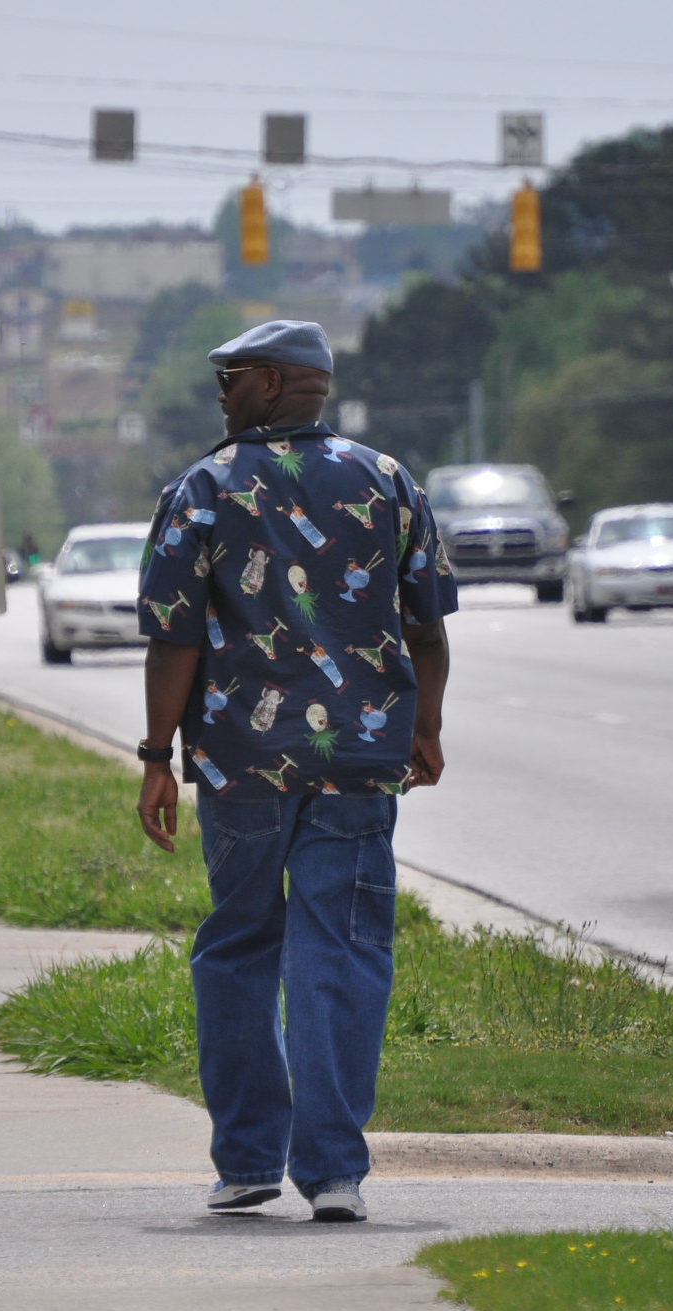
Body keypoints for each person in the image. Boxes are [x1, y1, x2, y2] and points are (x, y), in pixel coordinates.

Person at [135, 320, 457, 1224]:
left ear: (274, 384)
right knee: (343, 949)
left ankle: (245, 1163)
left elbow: (175, 637)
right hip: (360, 760)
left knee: (239, 942)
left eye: (230, 380)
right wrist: (424, 725)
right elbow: (427, 624)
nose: (222, 397)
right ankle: (335, 1175)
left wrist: (157, 757)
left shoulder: (204, 488)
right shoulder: (389, 481)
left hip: (241, 764)